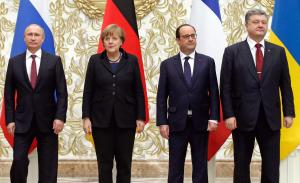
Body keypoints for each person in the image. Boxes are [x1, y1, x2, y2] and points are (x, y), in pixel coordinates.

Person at [220, 9, 295, 183]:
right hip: (242, 118)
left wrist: (289, 112)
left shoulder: (278, 52)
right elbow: (225, 86)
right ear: (246, 25)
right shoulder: (232, 52)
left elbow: (285, 84)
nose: (260, 25)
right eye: (255, 22)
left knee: (271, 165)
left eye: (263, 21)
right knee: (241, 164)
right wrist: (229, 114)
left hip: (270, 118)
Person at [82, 24, 146, 183]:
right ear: (103, 42)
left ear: (121, 41)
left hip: (127, 120)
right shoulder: (95, 60)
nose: (110, 41)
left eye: (114, 38)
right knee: (104, 164)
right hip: (101, 120)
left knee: (125, 163)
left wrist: (140, 117)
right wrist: (86, 117)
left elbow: (138, 90)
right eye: (107, 38)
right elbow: (88, 91)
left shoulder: (131, 60)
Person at [156, 24, 220, 183]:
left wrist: (214, 117)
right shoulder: (167, 65)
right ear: (178, 40)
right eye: (186, 36)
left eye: (193, 35)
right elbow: (161, 95)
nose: (191, 38)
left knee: (200, 166)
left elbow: (214, 92)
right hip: (176, 122)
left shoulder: (207, 62)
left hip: (201, 121)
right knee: (175, 165)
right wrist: (162, 121)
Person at [4, 24, 68, 183]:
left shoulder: (54, 61)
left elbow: (62, 93)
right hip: (21, 121)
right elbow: (9, 94)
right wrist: (10, 119)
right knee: (19, 161)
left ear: (43, 38)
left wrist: (60, 117)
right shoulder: (14, 62)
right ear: (24, 37)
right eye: (30, 34)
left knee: (48, 165)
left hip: (48, 122)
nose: (33, 38)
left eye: (37, 35)